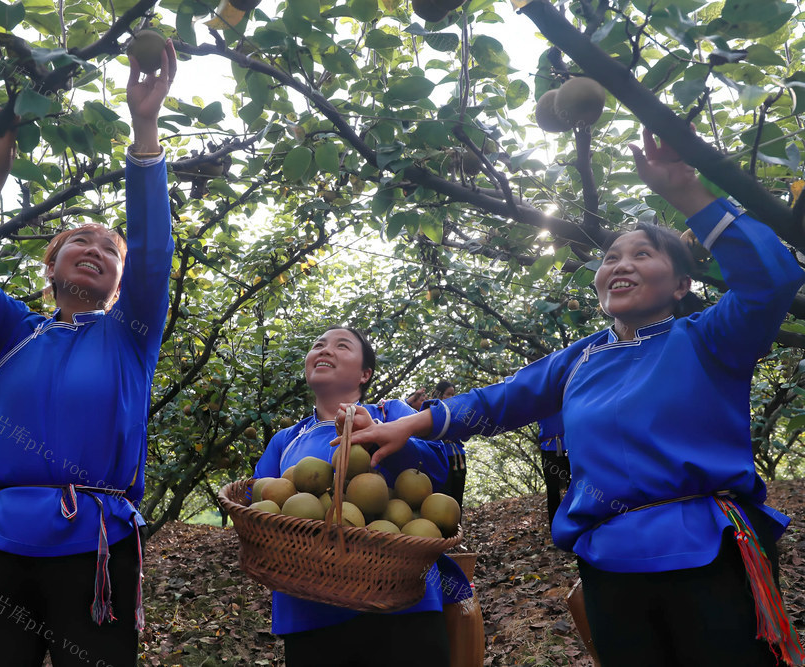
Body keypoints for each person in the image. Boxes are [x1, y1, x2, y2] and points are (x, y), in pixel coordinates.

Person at [340, 129, 805, 667]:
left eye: (643, 254)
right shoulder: (581, 358)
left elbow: (772, 281)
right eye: (611, 257)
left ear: (681, 286)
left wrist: (686, 191)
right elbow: (501, 400)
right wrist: (411, 424)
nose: (621, 264)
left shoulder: (707, 336)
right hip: (607, 562)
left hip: (705, 551)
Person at [0, 41, 178, 666]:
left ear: (121, 284)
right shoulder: (17, 332)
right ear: (52, 266)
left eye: (109, 250)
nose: (95, 248)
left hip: (97, 543)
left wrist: (144, 128)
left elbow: (153, 252)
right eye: (78, 242)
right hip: (2, 540)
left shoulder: (129, 335)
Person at [253, 326, 454, 667]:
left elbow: (436, 469)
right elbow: (259, 512)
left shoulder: (391, 413)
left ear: (365, 374)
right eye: (318, 345)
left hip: (403, 601)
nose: (325, 350)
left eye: (341, 345)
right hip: (310, 610)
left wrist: (376, 437)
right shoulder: (285, 439)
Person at [537, 412, 568, 528]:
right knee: (552, 490)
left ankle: (576, 522)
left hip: (568, 445)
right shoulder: (539, 401)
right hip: (548, 447)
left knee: (574, 486)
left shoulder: (566, 397)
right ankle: (555, 526)